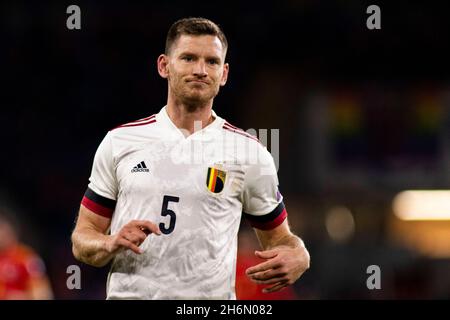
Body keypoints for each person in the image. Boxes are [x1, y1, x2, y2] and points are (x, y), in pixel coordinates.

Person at [71, 17, 310, 299]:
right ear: (164, 66)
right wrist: (109, 243)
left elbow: (280, 239)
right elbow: (82, 238)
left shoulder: (249, 153)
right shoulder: (120, 142)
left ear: (224, 73)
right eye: (188, 58)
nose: (200, 70)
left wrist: (300, 255)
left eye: (212, 61)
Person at [0, 213, 53, 300]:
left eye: (2, 229)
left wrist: (21, 297)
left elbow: (43, 293)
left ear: (12, 231)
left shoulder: (27, 257)